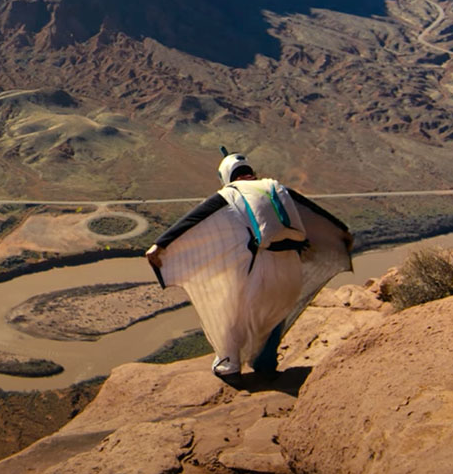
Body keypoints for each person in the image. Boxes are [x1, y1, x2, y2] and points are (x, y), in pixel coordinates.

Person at [146, 152, 353, 384]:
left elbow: (194, 219)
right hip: (290, 271)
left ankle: (229, 367)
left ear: (226, 176)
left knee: (232, 316)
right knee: (274, 315)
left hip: (259, 270)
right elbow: (317, 214)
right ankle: (265, 366)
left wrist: (160, 246)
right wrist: (341, 233)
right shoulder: (276, 188)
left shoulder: (229, 194)